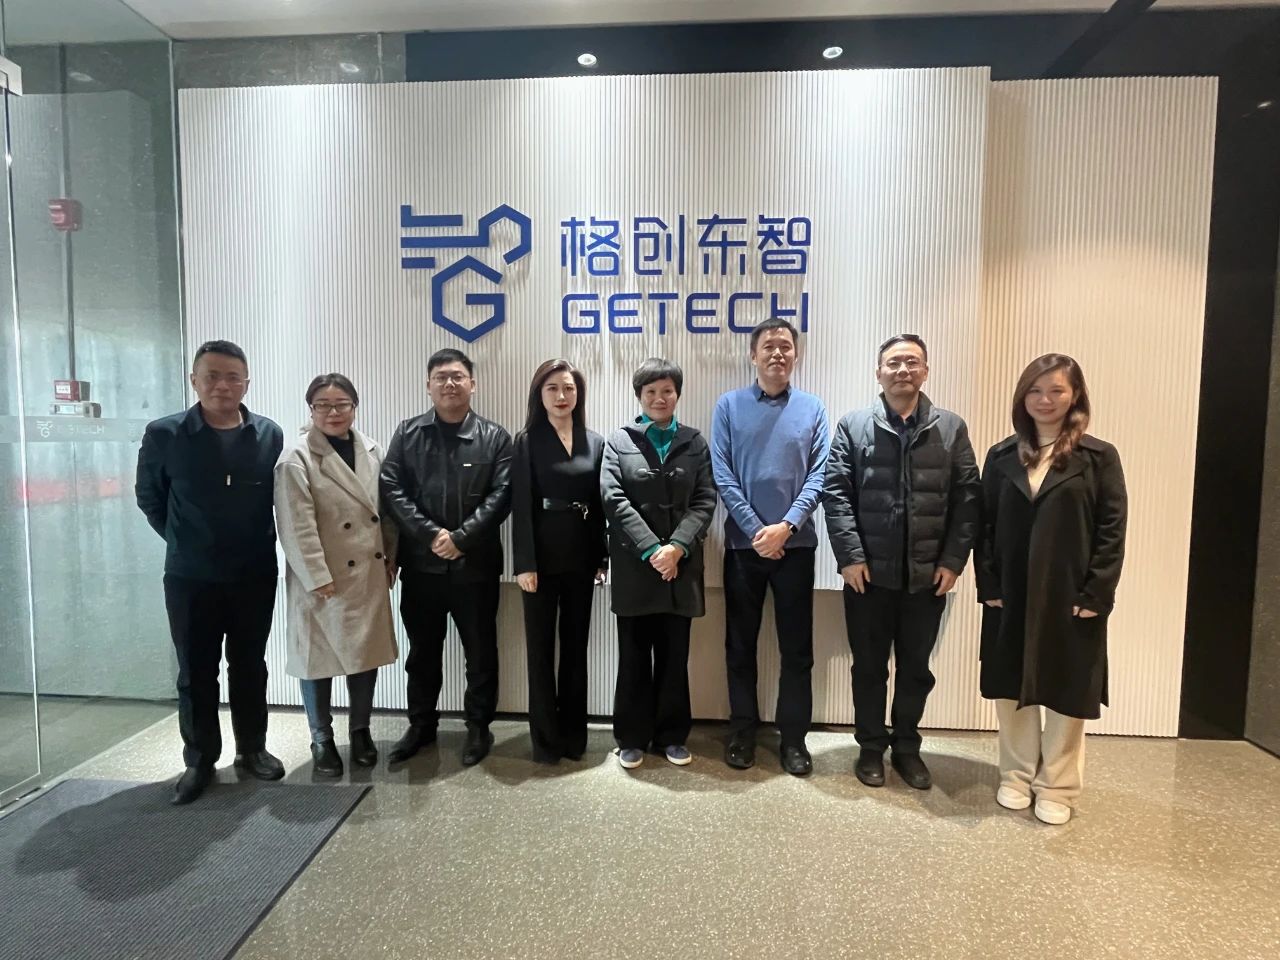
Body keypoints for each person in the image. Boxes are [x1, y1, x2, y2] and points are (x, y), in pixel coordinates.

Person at [823, 334, 981, 790]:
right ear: (879, 373)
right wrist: (850, 557)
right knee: (868, 669)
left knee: (915, 670)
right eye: (893, 363)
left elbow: (968, 498)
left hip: (927, 576)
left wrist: (953, 560)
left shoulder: (950, 428)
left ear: (925, 371)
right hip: (867, 576)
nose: (902, 370)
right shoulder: (854, 426)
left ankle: (907, 748)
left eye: (912, 362)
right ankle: (871, 747)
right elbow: (836, 494)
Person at [976, 354, 1127, 825]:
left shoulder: (1098, 457)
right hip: (1010, 592)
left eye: (1057, 390)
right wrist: (989, 583)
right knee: (1010, 686)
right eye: (1035, 390)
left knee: (1067, 688)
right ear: (1023, 396)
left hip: (1071, 594)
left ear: (1075, 395)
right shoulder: (1001, 456)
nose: (1045, 400)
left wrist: (1096, 593)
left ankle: (1058, 785)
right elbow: (983, 524)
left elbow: (1112, 530)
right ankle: (1016, 775)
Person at [135, 340, 285, 805]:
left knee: (249, 665)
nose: (222, 385)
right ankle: (200, 759)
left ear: (246, 383)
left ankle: (252, 749)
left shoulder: (268, 434)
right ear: (194, 380)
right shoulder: (165, 434)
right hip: (191, 576)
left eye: (232, 377)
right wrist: (184, 540)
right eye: (212, 376)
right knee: (195, 670)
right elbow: (149, 497)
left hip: (254, 573)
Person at [380, 348, 513, 767]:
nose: (449, 384)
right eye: (441, 377)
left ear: (473, 384)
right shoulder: (408, 433)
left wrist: (461, 538)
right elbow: (391, 487)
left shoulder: (495, 437)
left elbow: (502, 495)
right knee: (422, 653)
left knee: (481, 653)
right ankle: (421, 726)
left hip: (476, 567)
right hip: (422, 567)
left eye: (457, 376)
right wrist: (431, 535)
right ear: (428, 385)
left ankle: (479, 727)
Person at [711, 318, 829, 776]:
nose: (777, 353)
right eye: (768, 346)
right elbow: (722, 474)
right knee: (739, 646)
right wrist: (758, 531)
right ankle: (743, 732)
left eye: (785, 346)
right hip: (743, 548)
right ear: (753, 355)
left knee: (797, 650)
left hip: (796, 548)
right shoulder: (729, 405)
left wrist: (786, 527)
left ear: (796, 355)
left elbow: (819, 474)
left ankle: (793, 739)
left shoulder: (813, 408)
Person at [274, 374, 400, 777]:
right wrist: (317, 576)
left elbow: (386, 511)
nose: (333, 412)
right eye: (323, 405)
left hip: (367, 572)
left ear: (354, 407)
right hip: (323, 578)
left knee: (365, 656)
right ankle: (321, 738)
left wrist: (391, 557)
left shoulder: (372, 450)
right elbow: (295, 525)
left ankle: (360, 731)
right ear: (311, 409)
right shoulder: (296, 457)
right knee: (318, 660)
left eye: (341, 403)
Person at [601, 358, 718, 770]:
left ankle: (671, 735)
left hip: (679, 569)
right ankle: (631, 737)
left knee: (673, 657)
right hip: (636, 568)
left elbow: (705, 498)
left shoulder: (694, 442)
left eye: (667, 390)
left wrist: (676, 548)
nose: (659, 398)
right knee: (633, 657)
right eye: (650, 391)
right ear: (640, 396)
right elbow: (613, 499)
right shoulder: (620, 441)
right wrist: (653, 549)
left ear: (677, 394)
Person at [511, 360, 608, 764]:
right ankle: (546, 742)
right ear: (540, 394)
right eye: (552, 388)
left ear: (578, 394)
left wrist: (601, 557)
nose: (562, 396)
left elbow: (599, 505)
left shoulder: (595, 442)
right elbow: (520, 505)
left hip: (581, 559)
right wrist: (524, 563)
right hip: (540, 561)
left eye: (568, 388)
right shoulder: (527, 441)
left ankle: (573, 737)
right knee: (540, 652)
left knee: (575, 649)